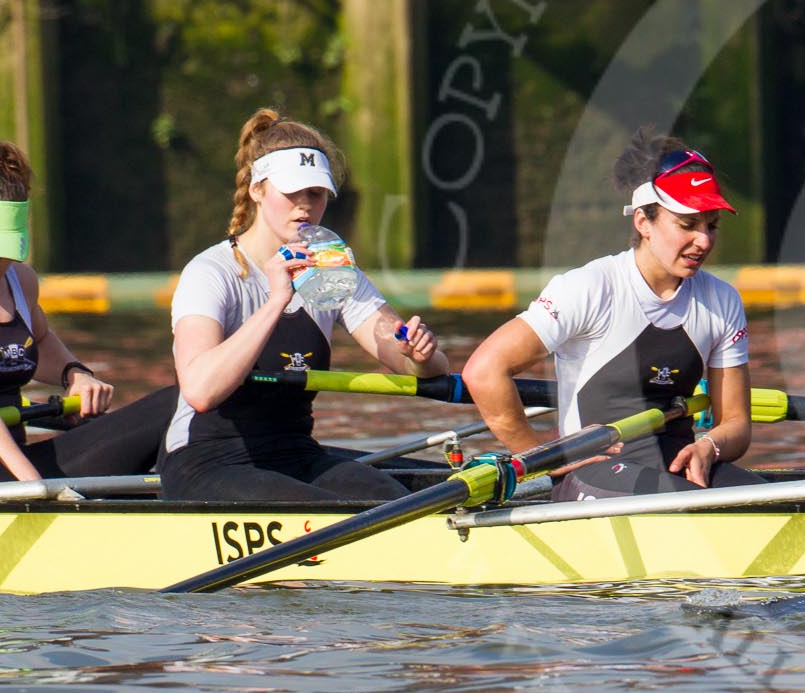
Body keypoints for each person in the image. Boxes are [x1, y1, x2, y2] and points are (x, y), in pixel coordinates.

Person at [161, 109, 445, 502]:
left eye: (315, 193)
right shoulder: (211, 273)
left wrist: (419, 354)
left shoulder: (331, 268)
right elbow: (201, 391)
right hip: (207, 461)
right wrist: (278, 298)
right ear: (257, 190)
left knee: (393, 499)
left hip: (294, 451)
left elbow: (418, 366)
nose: (304, 205)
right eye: (291, 192)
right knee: (328, 511)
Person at [463, 130, 763, 501]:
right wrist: (544, 458)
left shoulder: (722, 300)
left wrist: (709, 447)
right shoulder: (589, 288)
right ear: (643, 222)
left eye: (711, 225)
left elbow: (735, 423)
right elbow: (483, 372)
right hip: (594, 475)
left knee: (789, 503)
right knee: (688, 508)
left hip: (678, 465)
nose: (703, 240)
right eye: (687, 225)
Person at [0, 142, 177, 484]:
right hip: (17, 480)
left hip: (17, 470)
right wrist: (35, 488)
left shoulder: (21, 282)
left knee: (178, 404)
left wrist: (75, 375)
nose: (4, 263)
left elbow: (40, 339)